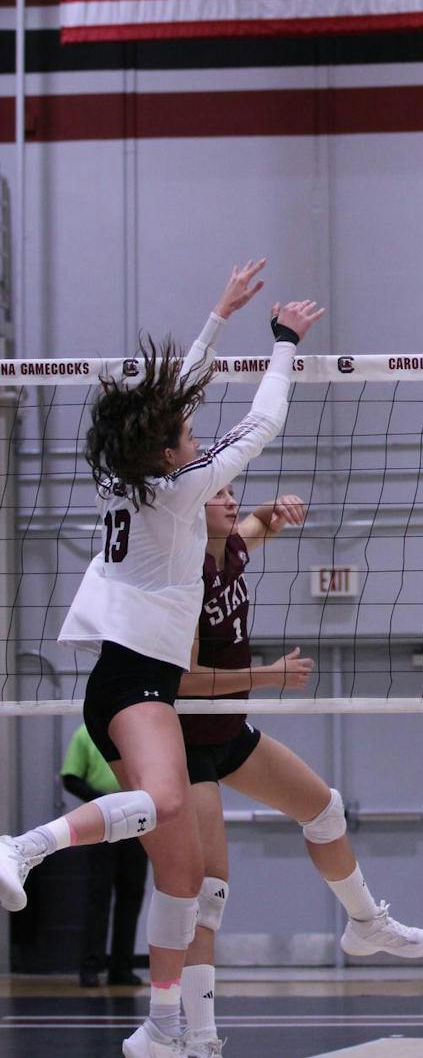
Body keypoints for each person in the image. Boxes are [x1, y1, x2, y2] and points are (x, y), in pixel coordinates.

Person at [0, 261, 321, 1058]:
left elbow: (163, 404)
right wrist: (281, 346)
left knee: (181, 878)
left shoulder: (124, 473)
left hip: (130, 672)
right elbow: (266, 422)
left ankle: (164, 1026)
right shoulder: (183, 487)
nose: (195, 432)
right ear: (171, 452)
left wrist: (217, 314)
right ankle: (22, 847)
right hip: (136, 678)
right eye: (187, 432)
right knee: (170, 804)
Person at [176, 484, 423, 1054]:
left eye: (229, 489)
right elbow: (185, 681)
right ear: (188, 506)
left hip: (229, 734)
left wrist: (277, 511)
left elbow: (257, 525)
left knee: (325, 809)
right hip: (187, 742)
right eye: (216, 492)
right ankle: (199, 1037)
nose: (229, 498)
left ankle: (366, 923)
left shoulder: (232, 550)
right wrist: (266, 676)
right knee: (209, 892)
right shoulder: (188, 569)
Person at [62, 724, 146, 989]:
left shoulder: (142, 731)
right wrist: (104, 803)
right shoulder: (85, 733)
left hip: (137, 822)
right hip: (102, 825)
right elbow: (70, 777)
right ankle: (90, 968)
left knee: (131, 896)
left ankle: (122, 968)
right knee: (98, 896)